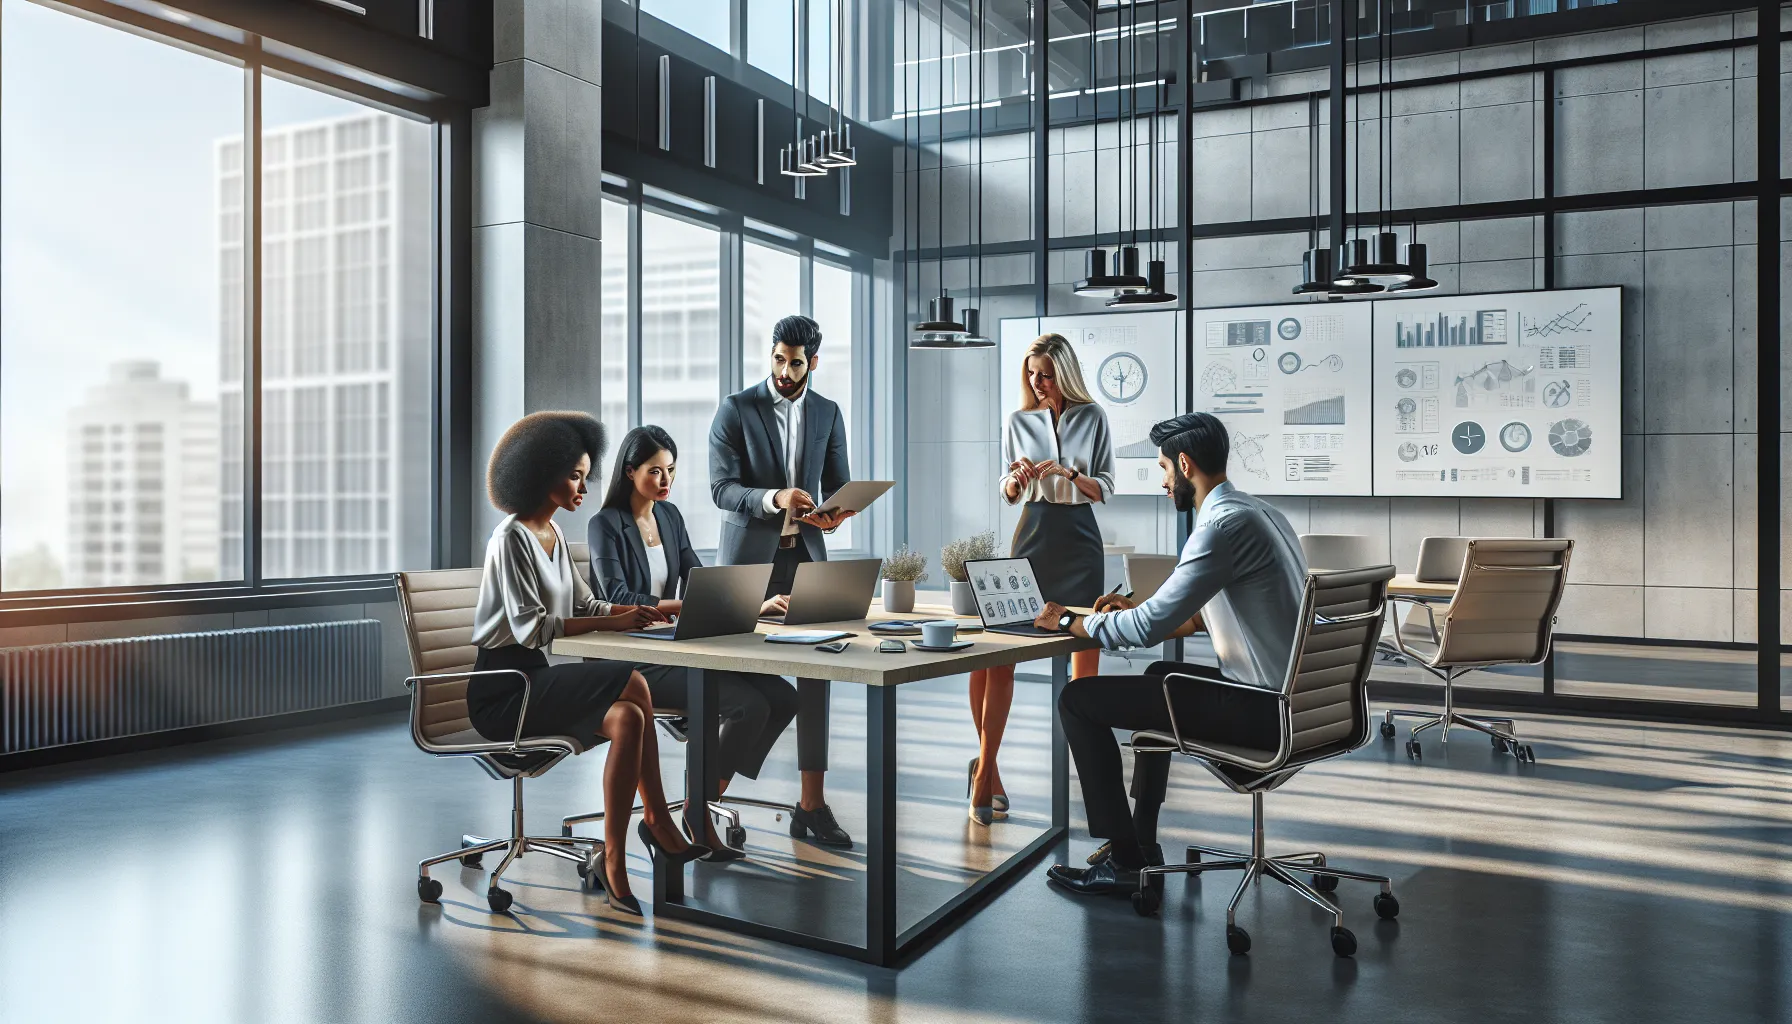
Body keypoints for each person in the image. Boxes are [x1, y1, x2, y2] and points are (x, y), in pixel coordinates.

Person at [1027, 412, 1307, 898]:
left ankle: (1124, 860)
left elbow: (1143, 629)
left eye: (1163, 469)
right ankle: (1142, 844)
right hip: (1296, 703)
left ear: (1184, 464)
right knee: (1161, 673)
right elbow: (1201, 617)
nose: (1163, 482)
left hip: (1262, 712)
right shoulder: (1263, 513)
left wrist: (1071, 622)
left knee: (1077, 700)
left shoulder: (1221, 526)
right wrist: (1136, 609)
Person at [469, 411, 709, 915]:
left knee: (627, 717)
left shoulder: (554, 536)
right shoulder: (510, 538)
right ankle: (658, 824)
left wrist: (642, 611)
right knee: (633, 680)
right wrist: (617, 625)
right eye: (574, 476)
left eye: (585, 474)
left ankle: (615, 857)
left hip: (538, 679)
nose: (584, 486)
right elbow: (533, 628)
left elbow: (587, 605)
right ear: (539, 474)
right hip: (503, 691)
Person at [588, 425, 802, 862]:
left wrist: (754, 604)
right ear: (630, 472)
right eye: (655, 471)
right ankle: (697, 811)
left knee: (781, 695)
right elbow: (616, 598)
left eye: (671, 470)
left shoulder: (669, 517)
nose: (666, 481)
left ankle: (695, 799)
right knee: (749, 704)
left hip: (678, 643)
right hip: (631, 659)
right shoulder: (604, 525)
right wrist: (680, 607)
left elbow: (699, 577)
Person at [709, 314, 856, 848]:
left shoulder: (827, 412)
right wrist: (775, 499)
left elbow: (838, 483)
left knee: (817, 681)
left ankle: (811, 805)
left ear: (812, 362)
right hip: (749, 561)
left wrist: (837, 511)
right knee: (738, 685)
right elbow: (722, 488)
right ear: (771, 353)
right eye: (778, 359)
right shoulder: (736, 408)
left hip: (805, 558)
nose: (785, 371)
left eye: (796, 363)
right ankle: (707, 804)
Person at [968, 333, 1115, 826]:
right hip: (1031, 535)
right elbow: (1008, 490)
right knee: (998, 659)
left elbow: (1105, 488)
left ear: (1064, 373)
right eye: (1032, 373)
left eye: (1046, 373)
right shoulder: (1018, 421)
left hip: (1079, 542)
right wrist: (1018, 479)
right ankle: (986, 774)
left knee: (1084, 667)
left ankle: (1090, 780)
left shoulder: (1093, 417)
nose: (1038, 382)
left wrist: (1072, 475)